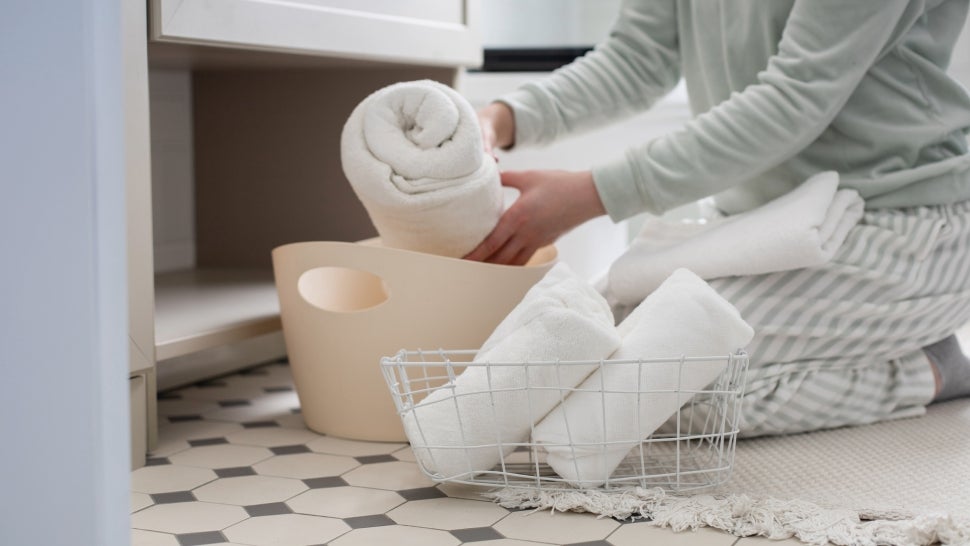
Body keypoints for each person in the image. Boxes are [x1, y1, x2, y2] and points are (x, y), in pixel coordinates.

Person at [466, 0, 970, 437]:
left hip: (909, 225)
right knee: (579, 341)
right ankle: (876, 341)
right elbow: (637, 58)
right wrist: (498, 119)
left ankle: (928, 368)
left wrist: (590, 194)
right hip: (765, 229)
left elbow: (795, 96)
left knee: (659, 395)